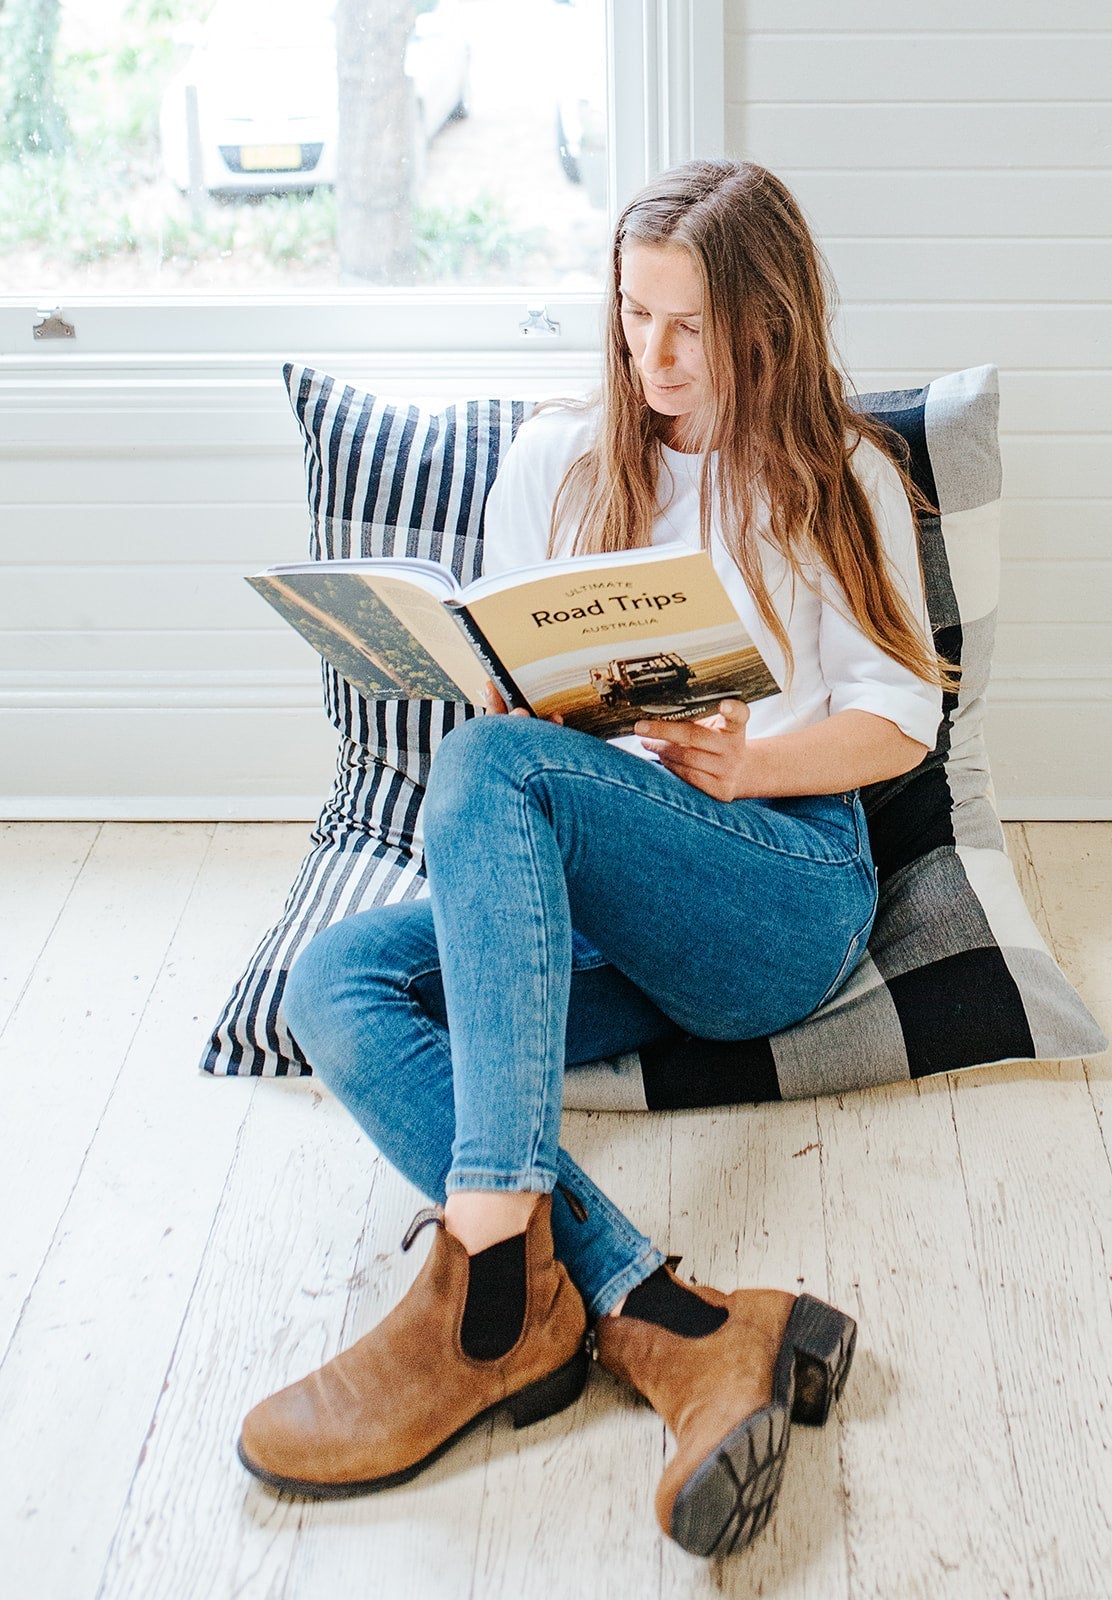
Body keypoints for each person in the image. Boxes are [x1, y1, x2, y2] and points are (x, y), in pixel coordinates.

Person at [236, 158, 959, 1559]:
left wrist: (753, 763)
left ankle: (488, 1295)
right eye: (634, 316)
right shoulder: (558, 460)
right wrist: (504, 699)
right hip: (584, 890)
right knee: (334, 983)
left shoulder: (836, 471)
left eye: (691, 326)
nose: (656, 354)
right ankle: (661, 1320)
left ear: (769, 323)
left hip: (779, 887)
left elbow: (901, 717)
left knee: (492, 772)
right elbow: (515, 683)